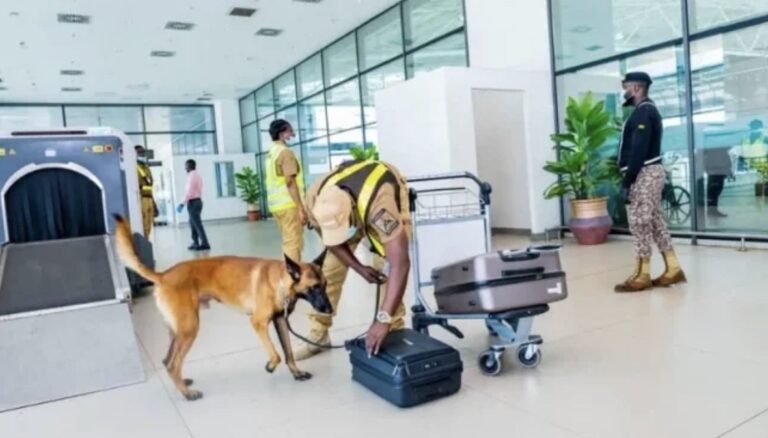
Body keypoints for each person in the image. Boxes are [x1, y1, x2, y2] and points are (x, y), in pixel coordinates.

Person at [294, 159, 411, 359]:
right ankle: (318, 336)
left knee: (387, 268)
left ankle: (392, 330)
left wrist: (382, 319)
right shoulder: (315, 198)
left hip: (380, 192)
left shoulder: (381, 207)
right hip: (352, 204)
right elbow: (333, 243)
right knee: (329, 271)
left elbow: (400, 263)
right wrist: (358, 267)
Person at [615, 71, 686, 293]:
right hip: (649, 172)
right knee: (655, 221)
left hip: (644, 173)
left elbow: (638, 150)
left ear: (636, 88)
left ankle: (642, 274)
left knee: (639, 222)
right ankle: (672, 267)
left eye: (626, 87)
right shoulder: (645, 111)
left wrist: (627, 182)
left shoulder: (643, 113)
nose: (624, 92)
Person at [265, 119, 307, 262]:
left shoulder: (271, 153)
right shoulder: (286, 153)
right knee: (293, 244)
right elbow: (290, 182)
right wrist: (301, 208)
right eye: (290, 131)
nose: (293, 134)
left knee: (289, 242)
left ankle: (288, 273)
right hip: (289, 205)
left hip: (277, 206)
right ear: (282, 133)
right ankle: (290, 278)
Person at [177, 159, 210, 251]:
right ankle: (195, 242)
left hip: (193, 202)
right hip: (197, 201)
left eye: (186, 166)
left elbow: (189, 192)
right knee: (192, 223)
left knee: (197, 224)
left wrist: (181, 204)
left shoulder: (192, 176)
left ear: (190, 166)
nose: (185, 168)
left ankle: (205, 243)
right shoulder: (197, 175)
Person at [135, 145, 158, 238]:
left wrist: (154, 204)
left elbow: (149, 187)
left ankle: (146, 246)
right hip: (140, 200)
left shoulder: (146, 168)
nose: (142, 154)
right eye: (140, 152)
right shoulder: (133, 168)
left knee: (148, 227)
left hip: (149, 200)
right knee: (142, 227)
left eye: (143, 152)